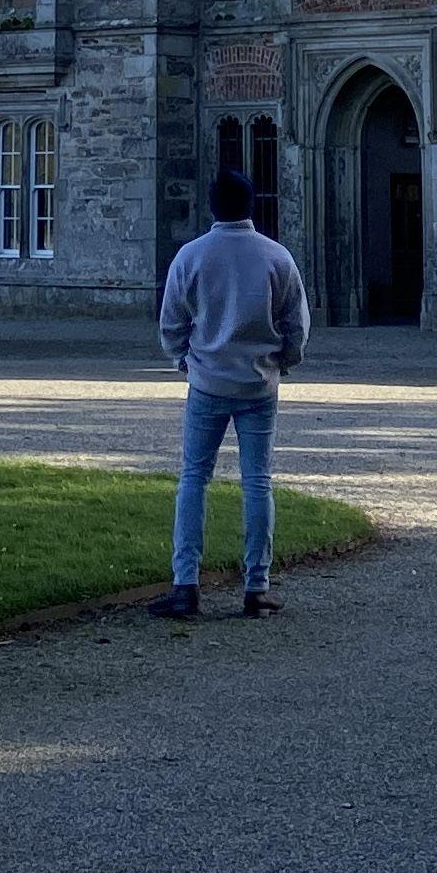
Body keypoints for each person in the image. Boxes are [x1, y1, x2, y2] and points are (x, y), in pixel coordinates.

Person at [151, 172, 310, 619]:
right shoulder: (276, 257)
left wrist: (184, 360)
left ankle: (186, 585)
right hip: (259, 384)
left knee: (193, 479)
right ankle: (256, 588)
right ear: (251, 204)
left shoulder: (191, 255)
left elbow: (171, 324)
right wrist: (285, 361)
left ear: (211, 206)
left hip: (207, 384)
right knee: (257, 482)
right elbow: (296, 324)